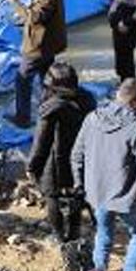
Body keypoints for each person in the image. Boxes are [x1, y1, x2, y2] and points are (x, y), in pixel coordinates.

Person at [72, 78, 136, 271]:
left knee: (103, 236)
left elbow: (77, 155)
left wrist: (82, 185)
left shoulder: (92, 118)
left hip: (97, 193)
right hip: (127, 196)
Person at [27, 62, 96, 243]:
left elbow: (41, 142)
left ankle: (58, 235)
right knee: (76, 193)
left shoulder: (50, 109)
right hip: (82, 157)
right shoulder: (88, 100)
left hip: (55, 161)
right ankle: (74, 232)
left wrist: (32, 166)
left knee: (52, 197)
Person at [4, 0, 67, 128]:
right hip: (50, 44)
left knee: (22, 79)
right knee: (47, 79)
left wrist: (15, 2)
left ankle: (23, 118)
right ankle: (52, 111)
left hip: (38, 46)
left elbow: (35, 18)